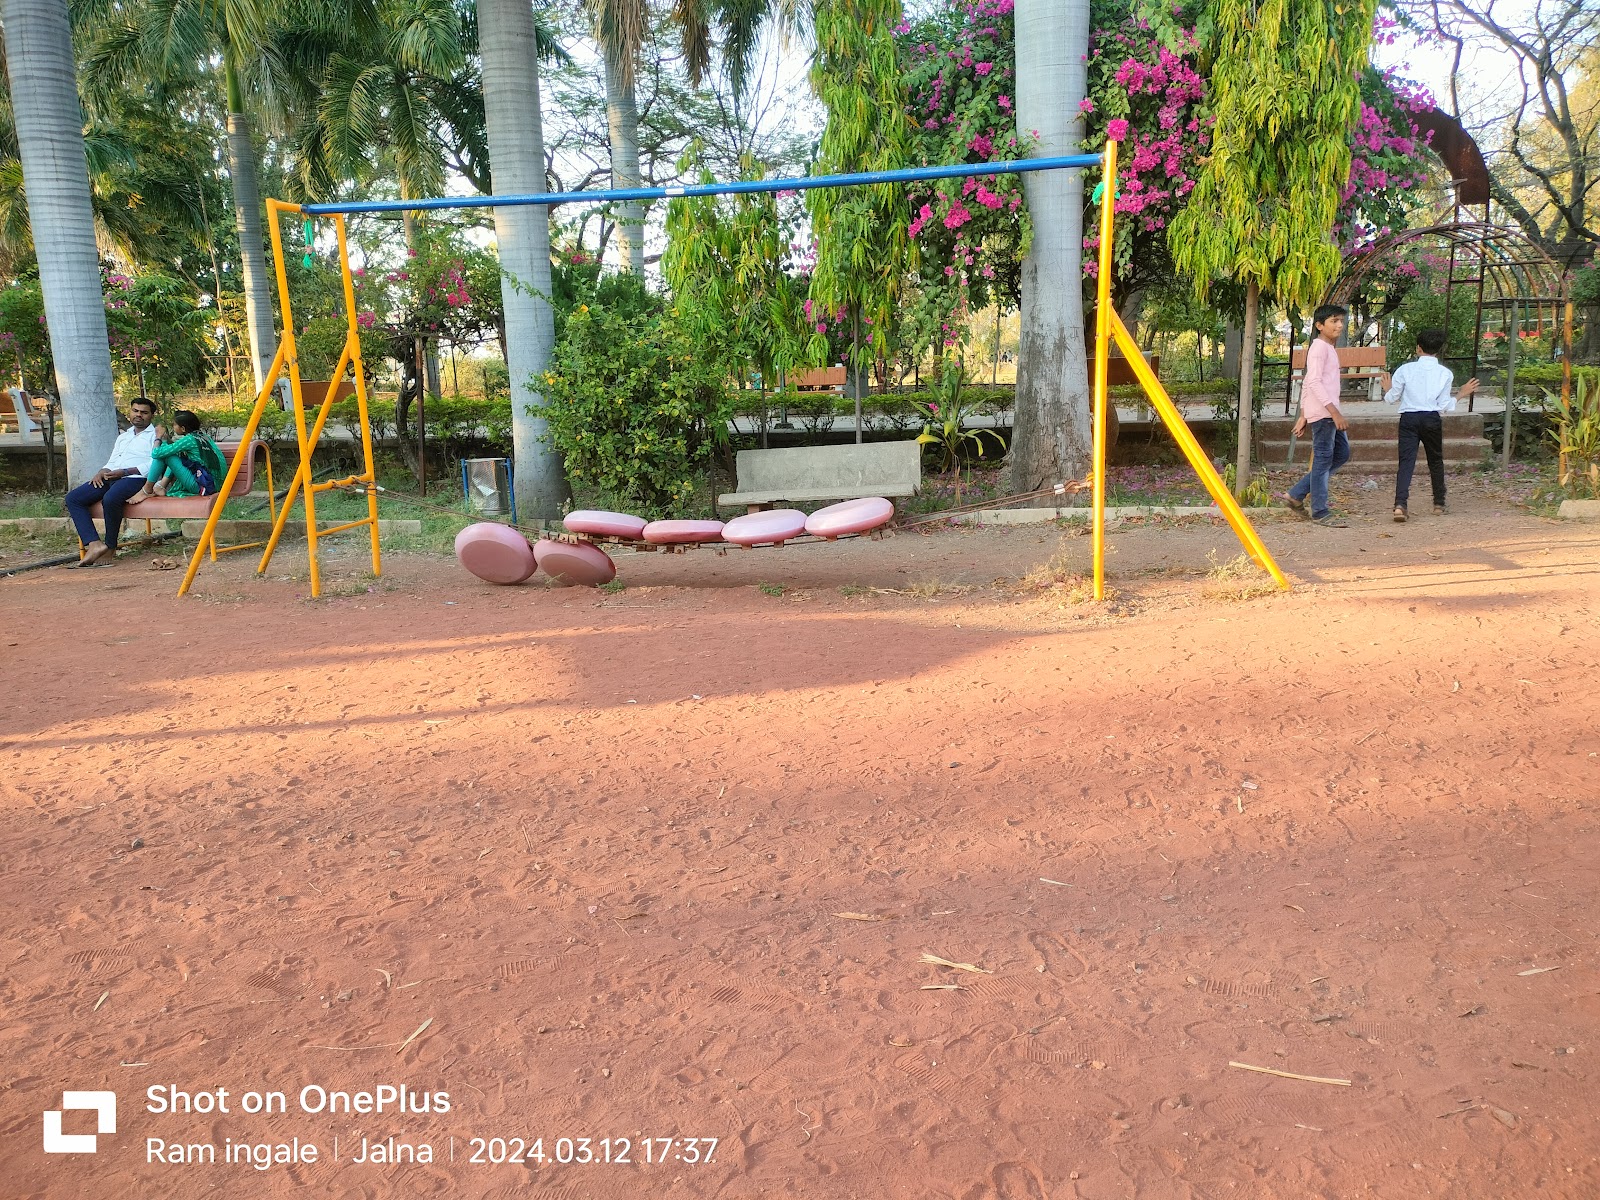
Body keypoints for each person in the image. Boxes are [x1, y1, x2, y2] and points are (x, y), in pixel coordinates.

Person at [1379, 328, 1477, 522]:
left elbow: (1391, 399)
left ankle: (1400, 505)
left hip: (1409, 418)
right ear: (1439, 350)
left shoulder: (1405, 370)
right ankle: (1439, 503)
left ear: (1418, 348)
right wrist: (1461, 394)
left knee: (1406, 462)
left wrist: (1388, 389)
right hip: (1431, 418)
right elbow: (1443, 405)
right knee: (1435, 460)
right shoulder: (1445, 373)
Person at [64, 397, 161, 566]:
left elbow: (155, 463)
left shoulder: (156, 436)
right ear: (130, 412)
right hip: (113, 476)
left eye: (144, 412)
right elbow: (113, 461)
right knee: (74, 498)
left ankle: (110, 547)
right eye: (135, 411)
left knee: (110, 499)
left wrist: (125, 472)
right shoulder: (123, 437)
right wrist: (102, 471)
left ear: (152, 415)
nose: (139, 415)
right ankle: (94, 544)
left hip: (136, 478)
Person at [1284, 304, 1353, 527]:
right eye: (1334, 321)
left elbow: (1308, 383)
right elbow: (1312, 381)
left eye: (1341, 321)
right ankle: (1320, 512)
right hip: (1326, 414)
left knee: (1341, 454)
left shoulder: (1327, 348)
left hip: (1327, 412)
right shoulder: (1319, 349)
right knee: (1323, 460)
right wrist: (1333, 412)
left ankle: (1296, 493)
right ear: (1319, 325)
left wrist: (1304, 414)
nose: (1339, 325)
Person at [129, 410, 224, 503]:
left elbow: (156, 453)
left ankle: (146, 490)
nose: (173, 427)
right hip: (215, 483)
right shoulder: (204, 437)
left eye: (174, 424)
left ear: (183, 429)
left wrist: (159, 437)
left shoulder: (189, 439)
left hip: (204, 485)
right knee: (174, 454)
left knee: (166, 455)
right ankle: (161, 486)